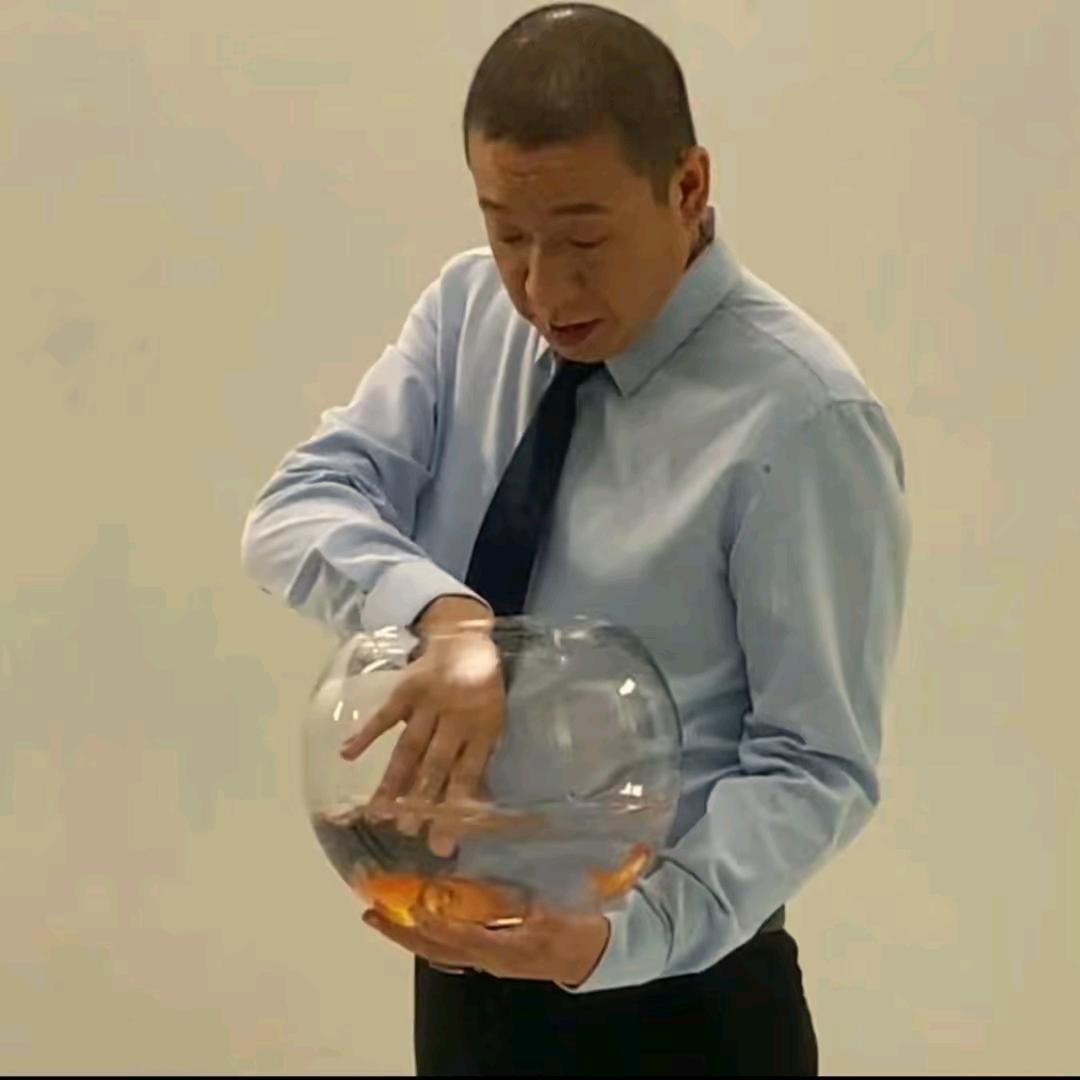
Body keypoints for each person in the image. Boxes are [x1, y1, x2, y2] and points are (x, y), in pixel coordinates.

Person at [240, 3, 912, 1075]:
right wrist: (443, 615)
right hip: (462, 971)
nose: (545, 289)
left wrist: (616, 942)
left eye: (586, 240)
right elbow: (299, 505)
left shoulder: (802, 417)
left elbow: (816, 762)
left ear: (688, 187)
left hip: (683, 1001)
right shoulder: (467, 314)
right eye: (509, 233)